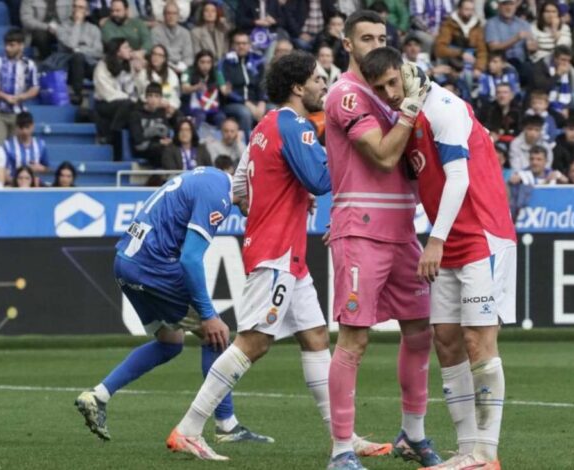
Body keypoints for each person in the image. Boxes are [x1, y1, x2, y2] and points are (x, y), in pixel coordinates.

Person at [167, 49, 387, 462]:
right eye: (319, 79)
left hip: (288, 253)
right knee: (253, 342)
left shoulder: (266, 124)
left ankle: (344, 436)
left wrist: (283, 196)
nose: (325, 85)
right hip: (276, 252)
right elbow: (320, 180)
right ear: (297, 87)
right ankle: (189, 427)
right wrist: (344, 141)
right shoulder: (295, 126)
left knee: (316, 338)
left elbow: (242, 188)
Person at [361, 45, 515, 470]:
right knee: (446, 342)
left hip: (482, 236)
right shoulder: (405, 120)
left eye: (393, 81)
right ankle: (468, 449)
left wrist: (435, 240)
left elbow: (459, 177)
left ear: (404, 71)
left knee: (477, 343)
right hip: (449, 243)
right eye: (380, 88)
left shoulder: (443, 106)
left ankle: (487, 452)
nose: (389, 92)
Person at [75, 165, 271, 446]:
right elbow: (190, 259)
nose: (261, 208)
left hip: (125, 262)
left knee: (170, 342)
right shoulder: (219, 196)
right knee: (215, 335)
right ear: (250, 186)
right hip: (152, 266)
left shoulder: (207, 176)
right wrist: (208, 314)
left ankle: (97, 396)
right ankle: (227, 425)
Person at [323, 10, 442, 470]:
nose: (375, 44)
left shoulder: (392, 93)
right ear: (348, 44)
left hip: (402, 231)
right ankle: (340, 450)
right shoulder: (346, 95)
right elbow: (385, 155)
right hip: (361, 231)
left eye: (382, 37)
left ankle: (413, 435)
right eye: (366, 38)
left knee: (420, 330)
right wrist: (411, 109)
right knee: (354, 338)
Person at [47, 0, 103, 105]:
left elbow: (99, 51)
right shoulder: (62, 27)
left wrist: (80, 49)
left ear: (87, 11)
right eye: (75, 6)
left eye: (81, 7)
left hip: (89, 64)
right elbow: (71, 45)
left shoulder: (94, 29)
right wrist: (77, 24)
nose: (77, 9)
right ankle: (77, 94)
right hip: (69, 64)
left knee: (101, 65)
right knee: (78, 57)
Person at [93, 38, 137, 160]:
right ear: (117, 51)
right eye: (126, 47)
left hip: (123, 105)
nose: (130, 50)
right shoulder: (102, 66)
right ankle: (114, 132)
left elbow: (130, 89)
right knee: (128, 105)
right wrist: (127, 98)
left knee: (134, 109)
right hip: (104, 104)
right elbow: (107, 92)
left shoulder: (128, 66)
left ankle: (116, 133)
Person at [0, 28, 40, 145]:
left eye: (11, 45)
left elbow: (35, 87)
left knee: (16, 149)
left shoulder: (29, 65)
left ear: (21, 46)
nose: (7, 48)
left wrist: (21, 97)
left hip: (18, 113)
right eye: (6, 45)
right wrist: (6, 97)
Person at [222, 30, 266, 138]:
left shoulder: (257, 62)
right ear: (232, 45)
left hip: (256, 102)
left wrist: (262, 102)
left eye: (244, 43)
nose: (241, 46)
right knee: (245, 113)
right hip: (233, 104)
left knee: (274, 110)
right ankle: (248, 148)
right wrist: (246, 103)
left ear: (249, 45)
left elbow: (263, 84)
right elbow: (228, 91)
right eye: (238, 43)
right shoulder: (225, 63)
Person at [128, 83, 180, 166]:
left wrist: (173, 112)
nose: (153, 99)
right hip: (143, 148)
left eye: (156, 96)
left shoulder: (161, 113)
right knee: (166, 152)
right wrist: (160, 142)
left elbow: (167, 131)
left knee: (177, 149)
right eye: (150, 96)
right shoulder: (136, 114)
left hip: (160, 147)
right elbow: (138, 141)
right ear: (146, 98)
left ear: (160, 99)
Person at [182, 50, 230, 131]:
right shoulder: (188, 72)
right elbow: (184, 88)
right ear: (197, 62)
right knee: (200, 116)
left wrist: (227, 90)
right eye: (202, 62)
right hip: (193, 107)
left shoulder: (217, 73)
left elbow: (224, 90)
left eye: (208, 62)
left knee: (221, 117)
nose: (205, 66)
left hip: (211, 107)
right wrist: (196, 87)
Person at [101, 0, 152, 68]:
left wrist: (142, 52)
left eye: (118, 10)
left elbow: (148, 42)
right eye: (112, 11)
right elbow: (114, 46)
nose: (114, 14)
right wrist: (133, 55)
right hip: (118, 63)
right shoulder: (107, 25)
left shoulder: (138, 23)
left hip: (141, 59)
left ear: (126, 10)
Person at [134, 45, 181, 115]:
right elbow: (139, 94)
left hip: (168, 109)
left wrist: (170, 106)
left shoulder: (172, 75)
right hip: (147, 109)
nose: (156, 57)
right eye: (154, 54)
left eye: (160, 55)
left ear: (164, 59)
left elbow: (174, 96)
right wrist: (156, 103)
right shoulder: (143, 74)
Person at [4, 112, 48, 183]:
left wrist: (41, 168)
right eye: (21, 128)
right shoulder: (8, 146)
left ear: (32, 126)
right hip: (14, 186)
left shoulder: (41, 144)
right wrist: (20, 182)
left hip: (36, 187)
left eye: (27, 127)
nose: (24, 131)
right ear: (16, 127)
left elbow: (47, 168)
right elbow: (4, 172)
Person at [151, 1, 193, 74]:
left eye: (174, 13)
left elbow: (189, 57)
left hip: (181, 69)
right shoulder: (155, 32)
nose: (171, 16)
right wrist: (170, 67)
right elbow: (155, 55)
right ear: (164, 15)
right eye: (168, 13)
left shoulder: (185, 33)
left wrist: (182, 66)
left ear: (178, 16)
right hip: (162, 68)